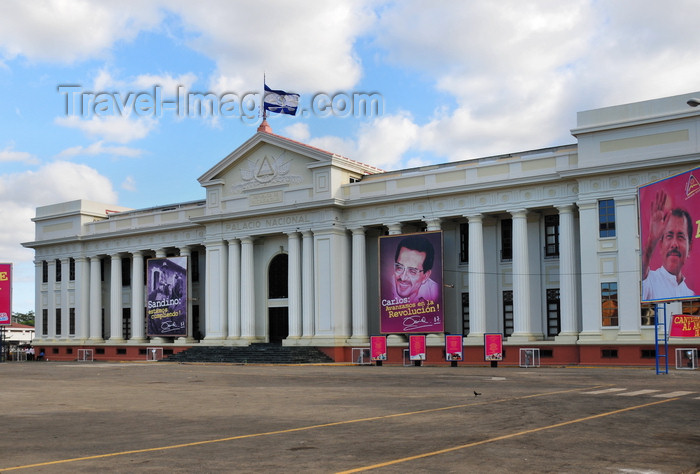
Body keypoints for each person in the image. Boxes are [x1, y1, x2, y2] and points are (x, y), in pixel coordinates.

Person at [642, 189, 694, 300]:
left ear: (689, 247)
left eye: (680, 237)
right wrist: (652, 240)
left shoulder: (691, 294)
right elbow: (640, 273)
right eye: (669, 236)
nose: (674, 244)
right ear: (660, 245)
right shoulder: (650, 280)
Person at [392, 235, 440, 304]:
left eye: (412, 271)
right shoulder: (385, 287)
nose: (403, 278)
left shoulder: (436, 293)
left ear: (426, 276)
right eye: (399, 268)